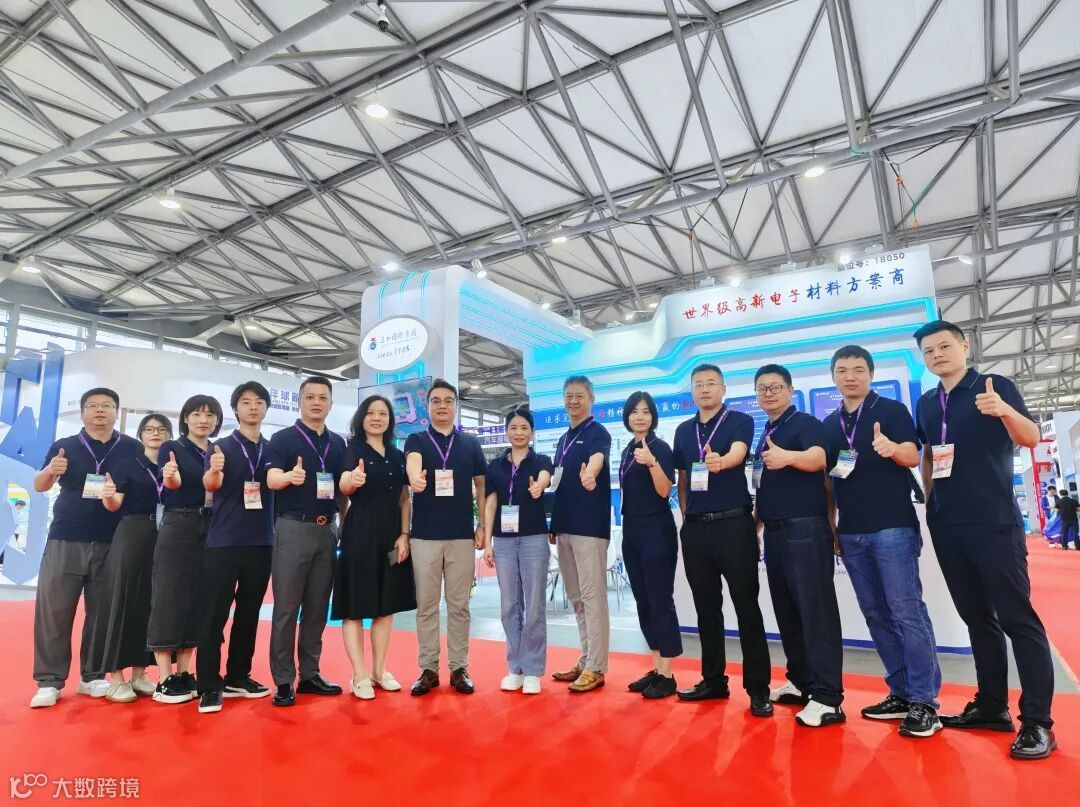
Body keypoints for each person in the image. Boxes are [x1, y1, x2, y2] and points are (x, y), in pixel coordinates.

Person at [913, 320, 1056, 759]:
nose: (937, 355)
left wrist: (1004, 410)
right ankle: (992, 706)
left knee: (1018, 619)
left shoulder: (994, 386)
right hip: (947, 524)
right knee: (977, 618)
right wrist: (931, 505)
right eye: (928, 350)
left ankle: (1038, 723)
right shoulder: (927, 403)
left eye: (944, 346)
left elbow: (1030, 437)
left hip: (993, 522)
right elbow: (929, 455)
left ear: (964, 346)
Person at [823, 346, 942, 738]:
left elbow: (911, 454)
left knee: (906, 611)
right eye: (843, 370)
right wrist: (833, 526)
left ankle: (925, 701)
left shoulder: (890, 410)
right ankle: (901, 691)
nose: (850, 376)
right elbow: (829, 481)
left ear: (870, 374)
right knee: (875, 613)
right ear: (834, 377)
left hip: (892, 527)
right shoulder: (830, 424)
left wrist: (892, 449)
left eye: (858, 369)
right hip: (851, 532)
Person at [29, 388, 141, 709]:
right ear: (82, 413)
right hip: (66, 538)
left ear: (116, 412)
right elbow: (40, 485)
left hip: (112, 540)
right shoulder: (64, 446)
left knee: (102, 613)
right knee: (54, 612)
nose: (100, 410)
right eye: (93, 405)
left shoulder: (131, 447)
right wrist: (52, 470)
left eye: (107, 405)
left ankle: (92, 676)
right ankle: (49, 681)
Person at [672, 364, 772, 716]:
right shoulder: (683, 431)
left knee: (747, 607)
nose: (704, 389)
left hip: (733, 525)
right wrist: (687, 515)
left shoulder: (739, 420)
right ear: (692, 391)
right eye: (698, 384)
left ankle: (758, 688)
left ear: (723, 388)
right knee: (706, 609)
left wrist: (721, 462)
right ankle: (713, 680)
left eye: (711, 383)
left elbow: (739, 453)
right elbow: (683, 477)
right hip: (696, 529)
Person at [753, 364, 845, 728]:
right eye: (762, 389)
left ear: (791, 390)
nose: (769, 393)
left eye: (775, 387)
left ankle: (828, 697)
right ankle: (802, 681)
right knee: (788, 612)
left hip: (805, 529)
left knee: (815, 612)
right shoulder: (768, 431)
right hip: (775, 532)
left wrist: (788, 457)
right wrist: (756, 526)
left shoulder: (806, 423)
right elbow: (764, 484)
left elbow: (820, 458)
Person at [266, 376, 347, 706]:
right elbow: (271, 478)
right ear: (299, 402)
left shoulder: (338, 443)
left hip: (327, 530)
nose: (316, 402)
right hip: (293, 528)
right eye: (310, 397)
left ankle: (310, 674)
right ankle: (284, 680)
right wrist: (288, 477)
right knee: (287, 608)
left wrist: (344, 525)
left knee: (317, 607)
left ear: (330, 404)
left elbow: (342, 489)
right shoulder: (282, 439)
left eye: (322, 397)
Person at [196, 382, 275, 714]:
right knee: (214, 615)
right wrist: (215, 471)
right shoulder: (221, 447)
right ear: (235, 409)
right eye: (245, 402)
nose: (253, 407)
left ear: (266, 408)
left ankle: (238, 676)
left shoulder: (273, 450)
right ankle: (208, 684)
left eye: (259, 401)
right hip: (224, 541)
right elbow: (210, 485)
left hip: (262, 541)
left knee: (249, 613)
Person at [405, 379, 487, 695]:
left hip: (461, 537)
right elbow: (412, 463)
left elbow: (481, 485)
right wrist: (415, 478)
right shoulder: (416, 440)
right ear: (427, 407)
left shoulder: (470, 444)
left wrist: (482, 525)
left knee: (459, 606)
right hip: (424, 536)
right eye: (436, 401)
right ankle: (428, 669)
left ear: (456, 406)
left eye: (448, 401)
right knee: (426, 605)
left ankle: (459, 667)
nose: (442, 406)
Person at [333, 395, 415, 699]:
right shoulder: (352, 449)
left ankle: (379, 670)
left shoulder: (397, 454)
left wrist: (404, 534)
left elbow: (404, 498)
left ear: (390, 420)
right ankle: (359, 675)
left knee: (386, 604)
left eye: (383, 413)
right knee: (354, 606)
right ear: (361, 418)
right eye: (371, 413)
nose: (377, 418)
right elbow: (343, 485)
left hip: (391, 536)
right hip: (360, 533)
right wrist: (352, 479)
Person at [146, 394, 222, 705]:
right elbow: (172, 482)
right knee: (169, 596)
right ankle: (164, 677)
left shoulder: (217, 451)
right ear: (186, 418)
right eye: (197, 414)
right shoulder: (172, 448)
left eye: (209, 414)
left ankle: (185, 672)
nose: (203, 420)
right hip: (179, 523)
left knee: (199, 598)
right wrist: (172, 478)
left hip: (212, 526)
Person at [93, 413, 172, 704]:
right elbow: (115, 504)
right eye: (149, 429)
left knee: (152, 603)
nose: (155, 433)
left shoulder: (171, 466)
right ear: (141, 435)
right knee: (122, 599)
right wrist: (108, 495)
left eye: (161, 429)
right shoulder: (127, 465)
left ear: (169, 435)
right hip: (132, 533)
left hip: (165, 535)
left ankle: (140, 674)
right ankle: (115, 677)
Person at [482, 408, 553, 696]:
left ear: (532, 432)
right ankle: (515, 667)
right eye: (514, 427)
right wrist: (488, 542)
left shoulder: (541, 461)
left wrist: (540, 486)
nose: (519, 432)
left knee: (534, 605)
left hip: (534, 539)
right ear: (507, 431)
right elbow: (490, 504)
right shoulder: (496, 466)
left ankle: (533, 669)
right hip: (503, 542)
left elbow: (546, 476)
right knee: (510, 606)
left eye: (524, 427)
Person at [549, 375, 612, 693]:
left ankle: (596, 667)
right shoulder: (563, 439)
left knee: (592, 597)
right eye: (568, 396)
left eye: (579, 396)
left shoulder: (597, 432)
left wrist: (591, 472)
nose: (573, 401)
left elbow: (597, 459)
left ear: (591, 399)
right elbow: (559, 483)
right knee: (576, 598)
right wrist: (554, 525)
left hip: (589, 528)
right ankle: (586, 657)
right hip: (564, 528)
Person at [618, 392, 681, 699]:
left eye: (645, 411)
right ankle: (656, 668)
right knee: (643, 601)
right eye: (634, 412)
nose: (640, 417)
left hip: (657, 530)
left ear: (653, 416)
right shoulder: (627, 450)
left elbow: (665, 490)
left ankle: (668, 674)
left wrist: (652, 462)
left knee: (659, 599)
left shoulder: (660, 448)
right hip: (631, 530)